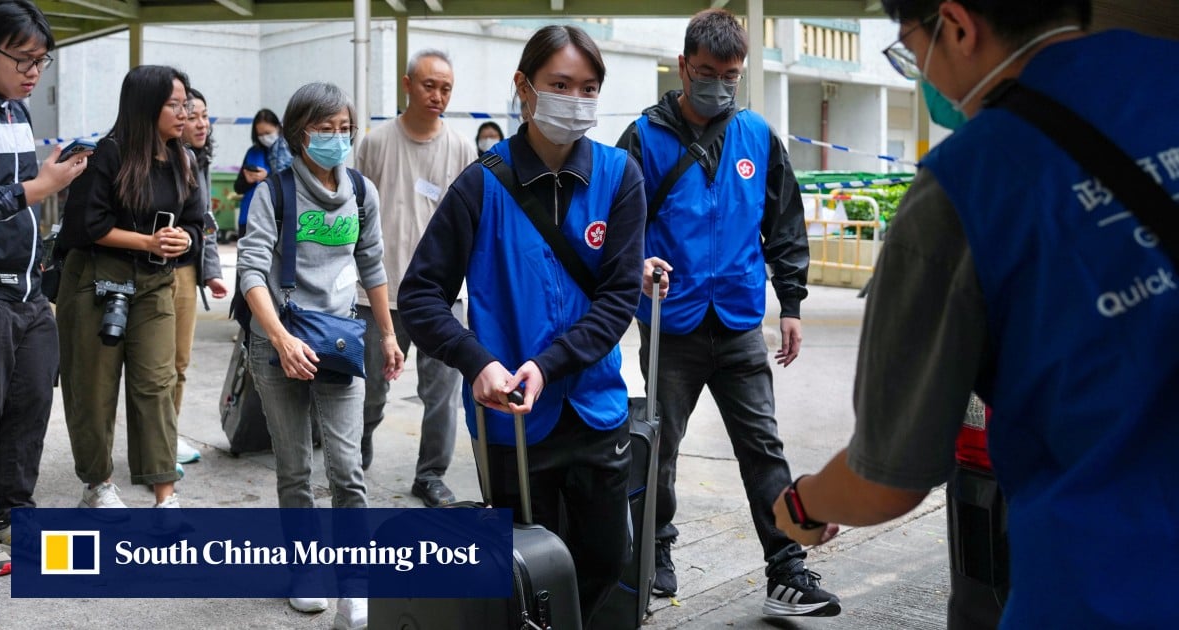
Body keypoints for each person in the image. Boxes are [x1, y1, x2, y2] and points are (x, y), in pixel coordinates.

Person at [772, 1, 1179, 628]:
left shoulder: (964, 186)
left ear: (958, 27)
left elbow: (886, 480)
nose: (921, 73)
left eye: (910, 47)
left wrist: (802, 504)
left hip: (1106, 588)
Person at [399, 25, 646, 626]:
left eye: (589, 88)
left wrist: (551, 362)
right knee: (523, 572)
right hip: (510, 418)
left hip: (595, 407)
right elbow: (420, 296)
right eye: (560, 84)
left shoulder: (619, 177)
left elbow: (617, 300)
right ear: (524, 87)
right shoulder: (481, 184)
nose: (576, 100)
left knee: (606, 557)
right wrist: (478, 362)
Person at [616, 8, 840, 618]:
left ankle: (787, 569)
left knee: (763, 447)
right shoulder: (642, 138)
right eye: (708, 72)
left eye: (731, 74)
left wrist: (790, 303)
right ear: (683, 66)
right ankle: (655, 553)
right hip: (671, 323)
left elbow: (784, 225)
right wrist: (636, 264)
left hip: (740, 320)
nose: (719, 84)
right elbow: (615, 228)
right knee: (659, 447)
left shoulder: (758, 136)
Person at [236, 81, 403, 627]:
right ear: (298, 132)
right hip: (277, 343)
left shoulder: (360, 191)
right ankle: (305, 571)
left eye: (344, 128)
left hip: (338, 342)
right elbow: (252, 270)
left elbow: (372, 265)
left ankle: (354, 582)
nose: (336, 138)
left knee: (347, 466)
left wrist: (386, 334)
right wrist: (281, 340)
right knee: (294, 469)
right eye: (324, 129)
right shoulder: (275, 193)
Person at [56, 65, 203, 510]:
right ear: (145, 105)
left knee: (157, 383)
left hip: (156, 280)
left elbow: (195, 222)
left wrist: (186, 238)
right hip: (95, 280)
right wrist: (148, 241)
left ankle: (164, 493)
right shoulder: (108, 154)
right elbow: (87, 224)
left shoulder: (183, 158)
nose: (184, 113)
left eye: (186, 104)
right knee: (94, 386)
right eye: (174, 105)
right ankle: (97, 484)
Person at [0, 0, 89, 577]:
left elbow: (22, 191)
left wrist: (49, 175)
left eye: (41, 62)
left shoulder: (14, 114)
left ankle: (13, 515)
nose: (33, 73)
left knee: (30, 406)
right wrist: (36, 187)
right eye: (24, 59)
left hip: (25, 290)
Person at [354, 49, 474, 503]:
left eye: (445, 88)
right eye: (429, 85)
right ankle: (357, 448)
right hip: (378, 296)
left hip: (441, 297)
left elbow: (469, 222)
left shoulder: (461, 148)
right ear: (407, 85)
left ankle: (430, 475)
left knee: (442, 395)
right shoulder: (376, 143)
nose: (438, 95)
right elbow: (357, 216)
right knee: (368, 391)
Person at [173, 87, 230, 466]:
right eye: (192, 115)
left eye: (204, 115)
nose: (200, 123)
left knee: (178, 362)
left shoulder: (200, 160)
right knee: (161, 366)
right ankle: (157, 441)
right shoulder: (167, 160)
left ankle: (166, 435)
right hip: (163, 270)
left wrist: (211, 272)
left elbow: (205, 226)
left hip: (187, 270)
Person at [233, 107, 292, 237]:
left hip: (277, 218)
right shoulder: (253, 153)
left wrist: (268, 177)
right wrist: (247, 180)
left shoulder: (290, 151)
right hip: (249, 217)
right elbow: (238, 187)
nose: (264, 138)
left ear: (277, 127)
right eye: (260, 134)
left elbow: (291, 183)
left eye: (268, 132)